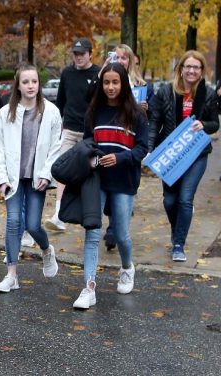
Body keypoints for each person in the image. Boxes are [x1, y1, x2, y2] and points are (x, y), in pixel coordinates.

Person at [72, 63, 148, 310]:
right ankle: (89, 287)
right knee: (92, 233)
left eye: (115, 82)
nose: (111, 87)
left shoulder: (137, 114)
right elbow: (86, 142)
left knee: (122, 235)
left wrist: (120, 158)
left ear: (123, 83)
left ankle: (127, 268)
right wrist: (92, 157)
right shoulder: (94, 112)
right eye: (106, 82)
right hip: (98, 182)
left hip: (124, 182)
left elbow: (142, 148)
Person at [0, 63, 62, 293]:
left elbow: (56, 146)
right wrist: (2, 177)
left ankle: (46, 250)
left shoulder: (51, 112)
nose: (30, 86)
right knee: (13, 222)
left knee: (32, 225)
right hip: (13, 178)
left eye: (34, 81)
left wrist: (46, 174)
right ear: (18, 85)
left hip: (37, 178)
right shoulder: (5, 114)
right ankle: (11, 275)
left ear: (38, 84)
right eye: (26, 82)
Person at [148, 50, 219, 262]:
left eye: (196, 67)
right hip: (171, 154)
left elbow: (215, 124)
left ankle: (179, 243)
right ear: (181, 69)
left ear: (201, 70)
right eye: (187, 66)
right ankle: (176, 230)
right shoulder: (166, 91)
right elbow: (155, 121)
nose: (191, 70)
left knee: (185, 199)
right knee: (170, 201)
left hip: (196, 155)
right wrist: (150, 148)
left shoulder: (209, 94)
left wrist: (204, 124)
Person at [102, 44, 154, 252]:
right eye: (117, 57)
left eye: (125, 58)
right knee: (109, 195)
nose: (121, 61)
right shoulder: (106, 81)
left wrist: (145, 110)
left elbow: (150, 115)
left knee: (123, 188)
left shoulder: (143, 86)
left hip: (131, 141)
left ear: (131, 61)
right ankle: (114, 222)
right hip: (110, 139)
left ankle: (115, 228)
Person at [48, 37, 100, 232]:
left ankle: (90, 214)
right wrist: (58, 124)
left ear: (90, 54)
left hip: (90, 133)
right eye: (76, 54)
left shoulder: (98, 74)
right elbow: (61, 101)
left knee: (89, 173)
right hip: (69, 130)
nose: (78, 57)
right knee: (62, 170)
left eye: (82, 54)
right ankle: (59, 214)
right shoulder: (67, 74)